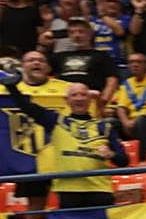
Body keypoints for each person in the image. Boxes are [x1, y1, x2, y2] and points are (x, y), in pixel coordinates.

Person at [1, 77, 128, 208]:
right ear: (67, 101)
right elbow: (27, 107)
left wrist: (111, 154)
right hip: (69, 191)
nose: (79, 98)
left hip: (100, 190)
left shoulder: (106, 126)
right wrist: (12, 87)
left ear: (90, 99)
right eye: (74, 95)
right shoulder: (56, 121)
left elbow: (124, 161)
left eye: (83, 95)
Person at [3, 50, 70, 211]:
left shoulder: (66, 89)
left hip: (60, 155)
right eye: (31, 60)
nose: (36, 63)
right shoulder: (6, 89)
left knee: (66, 205)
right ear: (22, 66)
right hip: (27, 157)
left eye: (41, 60)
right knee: (35, 207)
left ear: (48, 67)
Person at [50, 17, 119, 106]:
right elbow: (46, 77)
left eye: (81, 31)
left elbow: (112, 80)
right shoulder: (59, 56)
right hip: (63, 99)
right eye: (72, 32)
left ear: (89, 34)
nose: (76, 35)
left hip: (92, 99)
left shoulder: (101, 55)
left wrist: (103, 101)